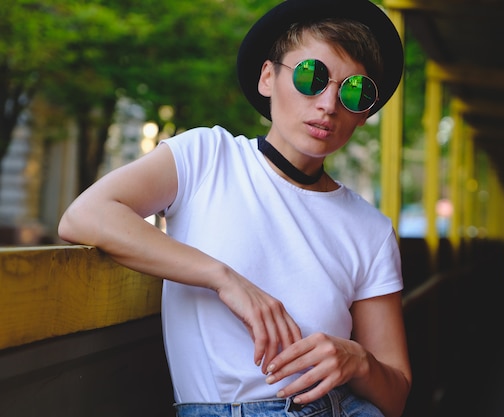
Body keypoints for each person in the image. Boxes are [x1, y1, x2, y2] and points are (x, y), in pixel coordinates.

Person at [58, 0, 411, 416]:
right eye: (312, 77)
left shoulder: (370, 229)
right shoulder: (208, 155)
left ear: (365, 114)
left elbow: (396, 393)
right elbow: (85, 215)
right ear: (267, 77)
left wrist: (358, 360)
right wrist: (224, 279)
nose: (329, 104)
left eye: (354, 91)